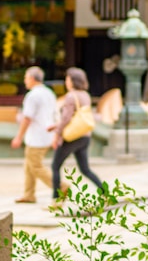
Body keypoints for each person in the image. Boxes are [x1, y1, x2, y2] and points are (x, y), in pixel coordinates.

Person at [49, 67, 104, 203]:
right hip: (84, 135)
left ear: (73, 81)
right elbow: (76, 117)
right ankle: (105, 192)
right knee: (85, 169)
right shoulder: (85, 95)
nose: (66, 82)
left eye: (67, 79)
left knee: (55, 166)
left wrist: (57, 134)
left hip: (72, 137)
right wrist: (56, 126)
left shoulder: (71, 96)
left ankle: (56, 200)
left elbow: (67, 118)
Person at [11, 66, 64, 203]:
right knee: (29, 165)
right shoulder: (49, 93)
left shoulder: (32, 95)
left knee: (36, 166)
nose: (25, 81)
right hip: (47, 133)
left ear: (33, 79)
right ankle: (29, 194)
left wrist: (18, 137)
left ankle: (61, 187)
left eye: (26, 78)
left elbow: (27, 118)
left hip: (37, 136)